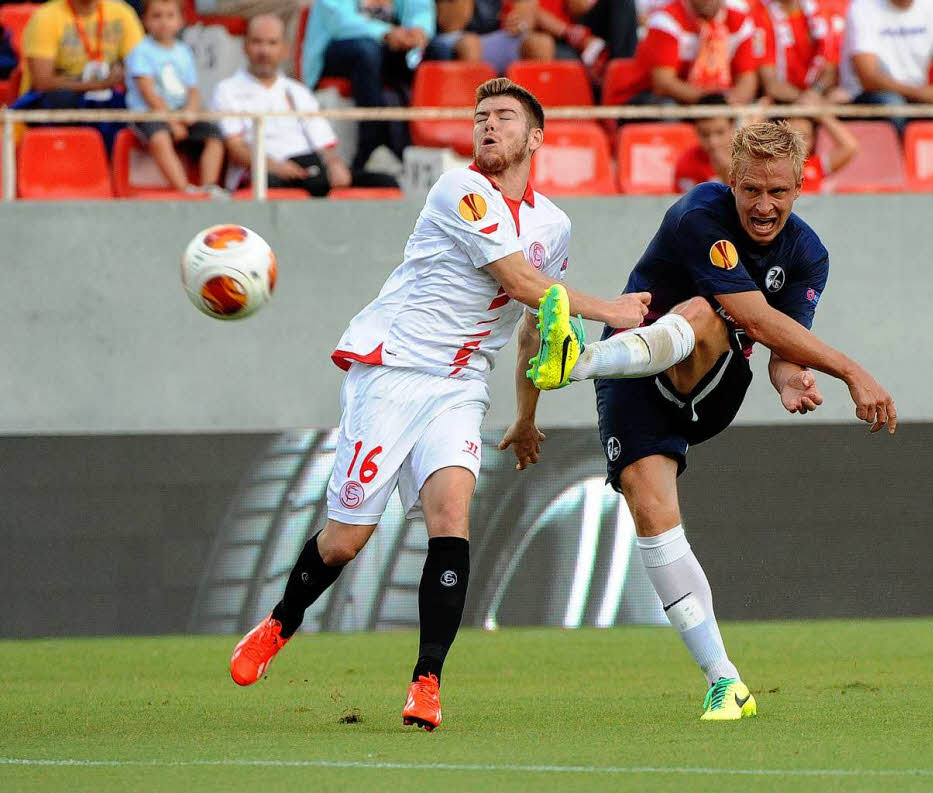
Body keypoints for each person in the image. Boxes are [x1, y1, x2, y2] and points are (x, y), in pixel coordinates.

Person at [228, 77, 651, 731]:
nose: (487, 125)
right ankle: (280, 622)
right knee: (346, 540)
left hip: (460, 385)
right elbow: (520, 281)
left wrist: (528, 414)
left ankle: (426, 681)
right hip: (392, 371)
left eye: (504, 117)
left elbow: (537, 321)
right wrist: (613, 309)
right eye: (480, 116)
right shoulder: (459, 188)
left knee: (451, 517)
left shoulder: (553, 225)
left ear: (535, 137)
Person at [527, 121, 897, 721]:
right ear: (732, 182)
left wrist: (795, 377)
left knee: (704, 310)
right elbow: (758, 316)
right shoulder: (699, 212)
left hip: (712, 383)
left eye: (778, 192)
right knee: (653, 516)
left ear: (800, 187)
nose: (763, 205)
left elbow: (778, 343)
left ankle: (577, 363)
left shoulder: (808, 254)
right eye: (751, 190)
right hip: (635, 384)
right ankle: (725, 682)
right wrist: (844, 371)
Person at [212, 15, 395, 195]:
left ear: (285, 49)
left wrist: (335, 166)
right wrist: (277, 167)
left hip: (309, 170)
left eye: (272, 43)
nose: (264, 51)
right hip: (261, 174)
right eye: (257, 42)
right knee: (271, 185)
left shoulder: (298, 91)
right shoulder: (227, 90)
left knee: (385, 183)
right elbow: (236, 148)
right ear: (245, 46)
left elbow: (325, 144)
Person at [301, 0, 437, 171]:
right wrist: (386, 33)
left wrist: (419, 31)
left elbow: (421, 10)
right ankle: (371, 140)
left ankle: (430, 142)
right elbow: (340, 22)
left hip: (390, 46)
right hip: (339, 47)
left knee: (438, 50)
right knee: (368, 52)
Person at [125, 0, 225, 195]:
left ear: (181, 20)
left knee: (214, 136)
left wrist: (190, 112)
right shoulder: (141, 51)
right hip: (149, 114)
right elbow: (148, 93)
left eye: (170, 16)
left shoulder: (183, 51)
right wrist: (171, 122)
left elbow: (193, 89)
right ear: (144, 21)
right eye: (157, 16)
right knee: (160, 138)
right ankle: (184, 189)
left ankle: (209, 187)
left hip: (180, 114)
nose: (164, 22)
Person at [17, 0, 144, 149]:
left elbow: (140, 67)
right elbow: (42, 82)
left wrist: (120, 73)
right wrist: (99, 84)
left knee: (139, 100)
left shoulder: (122, 12)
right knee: (63, 98)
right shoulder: (46, 16)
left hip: (106, 93)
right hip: (56, 100)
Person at [840, 0, 933, 133]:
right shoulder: (862, 7)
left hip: (918, 96)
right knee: (894, 105)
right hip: (869, 96)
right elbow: (869, 79)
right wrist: (926, 94)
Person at [610, 0, 760, 107]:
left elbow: (748, 81)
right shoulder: (666, 20)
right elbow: (663, 84)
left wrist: (731, 101)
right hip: (645, 95)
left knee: (754, 110)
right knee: (669, 108)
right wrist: (710, 101)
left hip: (711, 98)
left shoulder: (741, 20)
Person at [752, 0, 846, 103]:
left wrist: (815, 92)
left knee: (840, 95)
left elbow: (831, 70)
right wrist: (805, 100)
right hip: (786, 101)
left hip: (818, 95)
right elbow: (772, 85)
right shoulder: (761, 14)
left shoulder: (821, 11)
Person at [675, 93, 735, 192]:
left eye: (720, 132)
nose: (713, 142)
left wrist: (726, 171)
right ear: (696, 131)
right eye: (705, 134)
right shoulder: (686, 164)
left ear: (732, 127)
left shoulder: (748, 161)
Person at [785, 113, 858, 191]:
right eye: (792, 136)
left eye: (805, 137)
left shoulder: (818, 165)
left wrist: (821, 115)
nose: (799, 142)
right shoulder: (773, 165)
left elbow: (850, 146)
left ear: (813, 140)